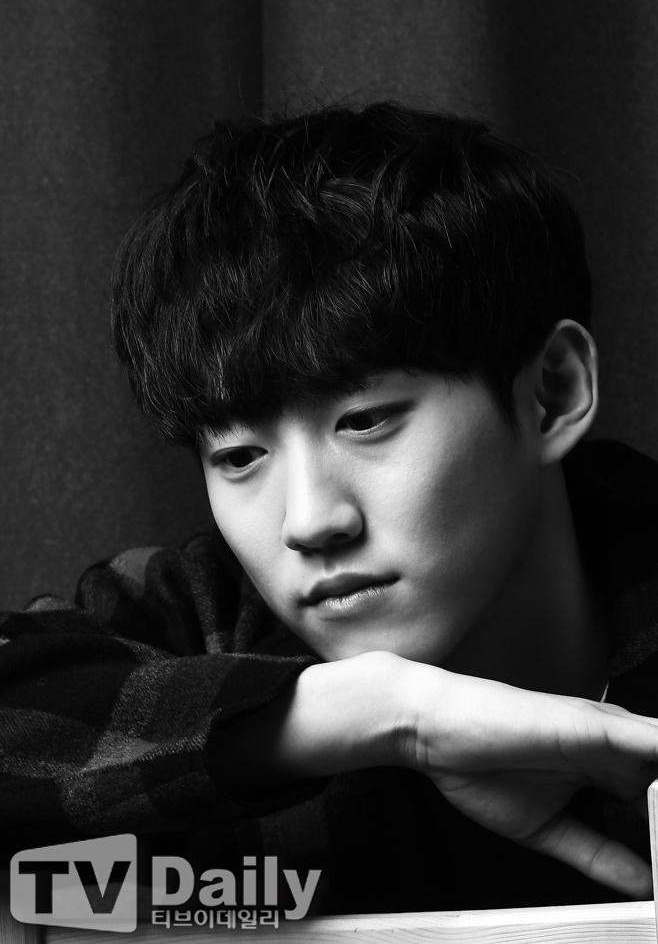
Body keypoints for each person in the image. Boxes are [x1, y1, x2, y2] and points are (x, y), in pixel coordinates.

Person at [2, 100, 658, 915]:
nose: (309, 521)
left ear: (550, 393)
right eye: (240, 457)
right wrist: (375, 715)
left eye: (366, 420)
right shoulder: (202, 613)